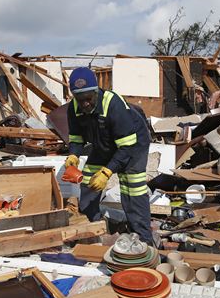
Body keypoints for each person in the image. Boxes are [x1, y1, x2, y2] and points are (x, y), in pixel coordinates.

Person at [64, 67, 153, 245]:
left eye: (89, 98)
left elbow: (126, 147)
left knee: (132, 188)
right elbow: (76, 139)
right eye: (80, 100)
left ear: (96, 91)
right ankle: (94, 228)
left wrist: (107, 172)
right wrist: (73, 155)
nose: (85, 104)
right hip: (104, 144)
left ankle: (143, 240)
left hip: (133, 143)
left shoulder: (113, 104)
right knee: (89, 181)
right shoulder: (73, 109)